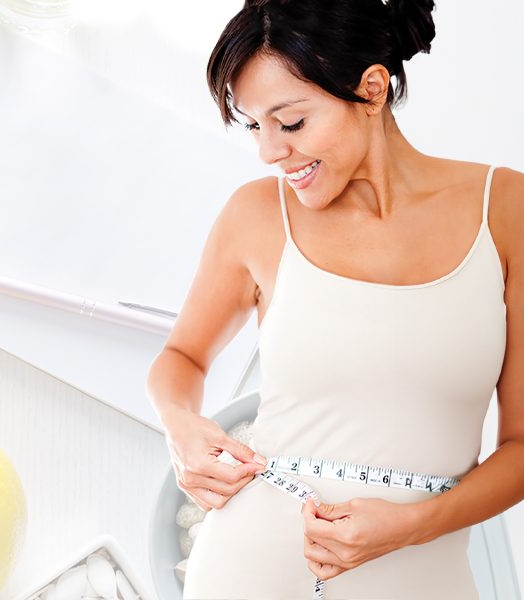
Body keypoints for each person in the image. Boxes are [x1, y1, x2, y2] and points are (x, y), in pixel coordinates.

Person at [145, 0, 524, 597]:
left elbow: (521, 449)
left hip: (423, 572)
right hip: (249, 566)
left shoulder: (505, 211)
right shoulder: (257, 216)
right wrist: (180, 426)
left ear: (372, 89)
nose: (269, 152)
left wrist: (413, 526)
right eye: (253, 125)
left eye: (290, 123)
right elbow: (182, 359)